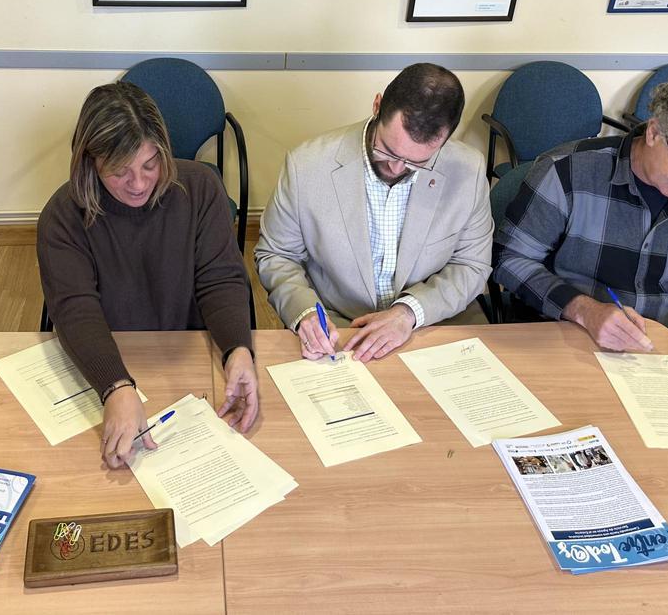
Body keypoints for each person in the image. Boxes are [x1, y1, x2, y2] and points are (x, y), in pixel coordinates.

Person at [494, 73, 668, 388]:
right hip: (562, 335)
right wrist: (583, 309)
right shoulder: (568, 171)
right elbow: (509, 259)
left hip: (662, 353)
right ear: (654, 132)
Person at [38, 82, 258, 470]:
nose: (138, 184)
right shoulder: (62, 215)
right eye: (119, 171)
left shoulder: (201, 188)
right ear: (90, 162)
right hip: (105, 358)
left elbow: (220, 278)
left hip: (188, 358)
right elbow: (75, 311)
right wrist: (116, 386)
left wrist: (237, 348)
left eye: (149, 164)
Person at [256, 64, 492, 363]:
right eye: (388, 151)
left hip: (433, 322)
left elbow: (471, 264)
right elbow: (277, 255)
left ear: (445, 139)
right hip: (339, 325)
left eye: (418, 162)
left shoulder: (468, 170)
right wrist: (304, 312)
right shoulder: (307, 165)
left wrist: (408, 313)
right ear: (377, 105)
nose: (397, 168)